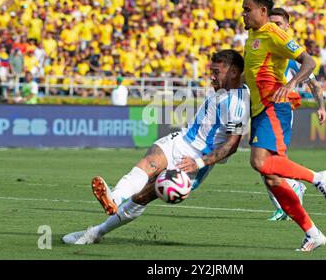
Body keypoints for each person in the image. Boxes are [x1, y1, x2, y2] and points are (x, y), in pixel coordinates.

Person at [62, 49, 250, 244]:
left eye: (216, 72)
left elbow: (232, 145)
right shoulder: (225, 88)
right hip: (182, 139)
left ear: (233, 72)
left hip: (194, 159)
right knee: (149, 162)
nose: (211, 77)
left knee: (144, 195)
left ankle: (96, 233)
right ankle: (115, 198)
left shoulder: (238, 105)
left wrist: (198, 163)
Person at [242, 0, 326, 251]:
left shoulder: (274, 33)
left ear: (263, 11)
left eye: (248, 10)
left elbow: (309, 63)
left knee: (261, 162)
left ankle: (318, 177)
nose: (244, 14)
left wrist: (292, 83)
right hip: (260, 109)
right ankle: (312, 233)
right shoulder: (252, 37)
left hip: (275, 106)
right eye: (243, 9)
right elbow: (251, 73)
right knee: (271, 176)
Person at [266, 8, 326, 221]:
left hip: (280, 111)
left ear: (286, 26)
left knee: (268, 160)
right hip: (263, 110)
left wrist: (321, 107)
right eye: (271, 22)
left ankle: (293, 190)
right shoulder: (265, 47)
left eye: (278, 23)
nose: (274, 26)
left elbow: (314, 85)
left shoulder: (291, 55)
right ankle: (290, 195)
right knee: (264, 161)